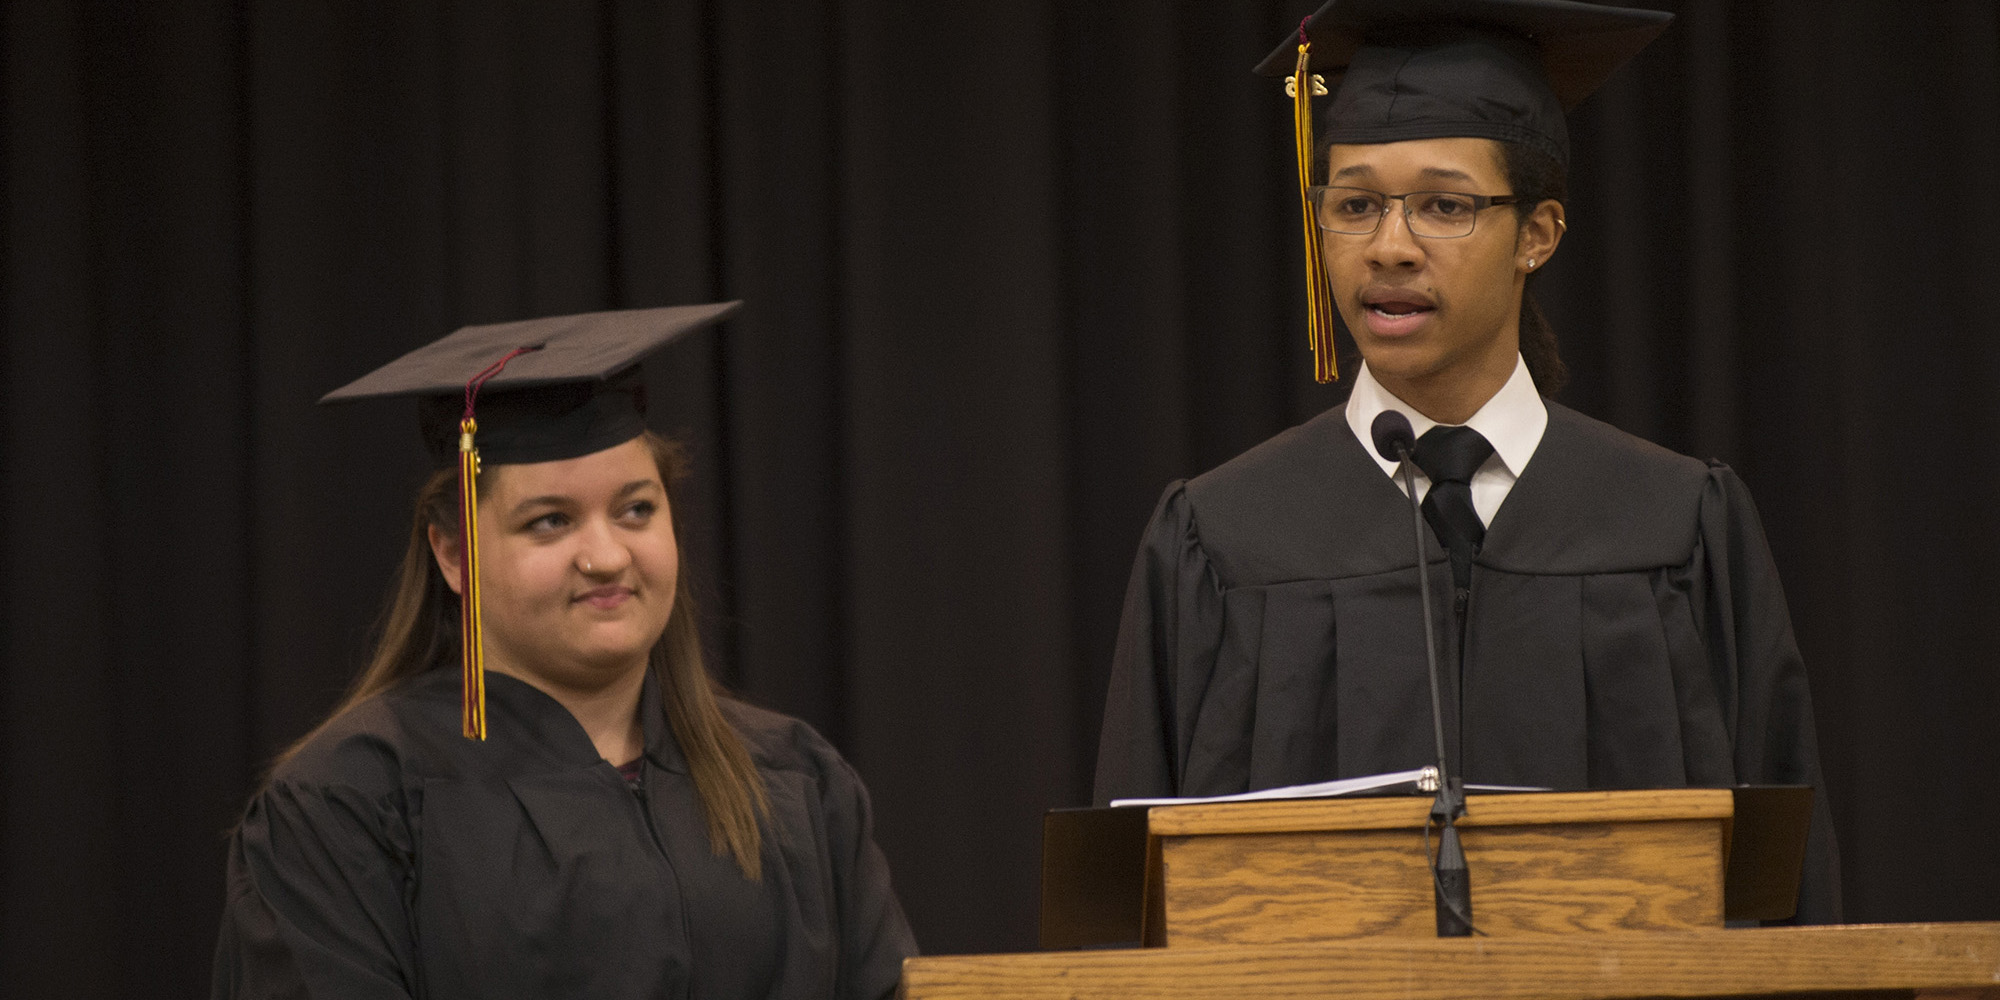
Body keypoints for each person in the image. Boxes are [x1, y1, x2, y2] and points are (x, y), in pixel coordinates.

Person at [1092, 0, 1841, 924]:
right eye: (1354, 204)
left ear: (1539, 234)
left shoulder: (1677, 524)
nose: (1390, 246)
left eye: (1445, 206)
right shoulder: (1221, 538)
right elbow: (1128, 909)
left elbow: (1785, 898)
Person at [211, 304, 917, 998]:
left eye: (636, 509)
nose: (607, 555)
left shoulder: (796, 780)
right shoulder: (348, 805)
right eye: (550, 521)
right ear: (454, 554)